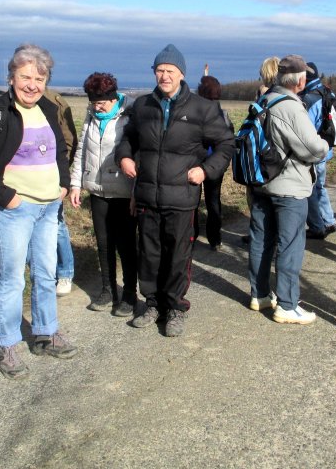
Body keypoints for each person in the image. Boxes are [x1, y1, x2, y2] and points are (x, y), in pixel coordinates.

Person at [0, 43, 77, 379]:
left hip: (47, 208)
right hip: (14, 210)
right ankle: (7, 344)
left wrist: (64, 185)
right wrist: (7, 197)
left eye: (39, 78)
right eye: (25, 76)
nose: (32, 84)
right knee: (12, 279)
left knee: (45, 274)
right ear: (11, 77)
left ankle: (46, 333)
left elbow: (60, 152)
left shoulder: (48, 110)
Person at [115, 44, 235, 337]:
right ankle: (153, 304)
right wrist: (125, 157)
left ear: (182, 74)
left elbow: (226, 144)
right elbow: (128, 139)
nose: (164, 76)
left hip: (181, 197)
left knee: (178, 257)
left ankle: (175, 309)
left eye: (170, 71)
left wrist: (205, 170)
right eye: (159, 70)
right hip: (146, 196)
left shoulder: (201, 108)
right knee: (150, 253)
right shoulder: (142, 106)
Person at [247, 55, 330, 325]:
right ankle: (286, 304)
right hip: (289, 186)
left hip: (260, 182)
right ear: (301, 80)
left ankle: (259, 295)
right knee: (290, 245)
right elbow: (312, 148)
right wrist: (326, 146)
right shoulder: (291, 107)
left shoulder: (263, 99)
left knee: (261, 240)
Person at [69, 72, 138, 316]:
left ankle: (130, 294)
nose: (97, 107)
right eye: (93, 102)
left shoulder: (130, 113)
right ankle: (108, 290)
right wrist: (75, 184)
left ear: (113, 98)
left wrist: (136, 193)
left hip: (124, 191)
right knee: (103, 243)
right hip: (97, 190)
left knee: (127, 245)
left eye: (101, 103)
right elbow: (82, 150)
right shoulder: (91, 114)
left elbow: (138, 154)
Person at [43, 87, 78, 297]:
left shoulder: (54, 101)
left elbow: (68, 139)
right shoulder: (5, 101)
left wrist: (60, 170)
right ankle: (13, 275)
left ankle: (65, 272)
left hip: (51, 173)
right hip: (19, 175)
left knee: (56, 225)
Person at [242, 56, 280, 245]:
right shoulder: (286, 97)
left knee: (258, 205)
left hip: (260, 158)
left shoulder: (263, 97)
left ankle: (259, 237)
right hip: (277, 161)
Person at [193, 75, 234, 251]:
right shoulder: (223, 114)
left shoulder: (194, 113)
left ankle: (191, 237)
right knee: (213, 201)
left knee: (192, 203)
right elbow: (229, 139)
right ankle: (215, 239)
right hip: (216, 164)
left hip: (195, 163)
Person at [301, 61, 336, 240]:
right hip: (327, 148)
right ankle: (329, 220)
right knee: (320, 186)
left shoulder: (309, 98)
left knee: (310, 189)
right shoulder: (327, 92)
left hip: (314, 151)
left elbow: (304, 130)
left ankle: (317, 226)